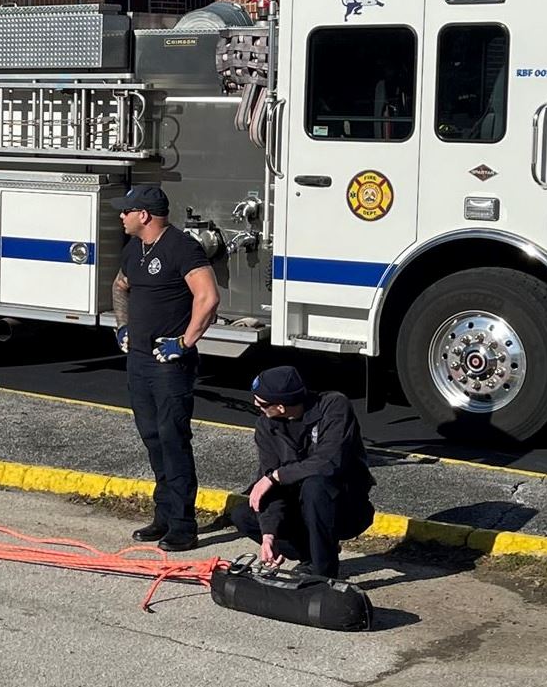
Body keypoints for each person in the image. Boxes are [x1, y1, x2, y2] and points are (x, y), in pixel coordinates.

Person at [111, 184, 218, 553]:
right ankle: (164, 514)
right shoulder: (134, 249)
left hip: (168, 364)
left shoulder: (181, 247)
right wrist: (122, 325)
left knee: (173, 439)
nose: (120, 216)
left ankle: (184, 525)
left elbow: (208, 297)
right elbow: (120, 286)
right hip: (138, 360)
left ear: (144, 215)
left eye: (126, 211)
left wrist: (185, 342)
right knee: (152, 437)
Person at [228, 365, 376, 580]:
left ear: (280, 406)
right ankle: (311, 556)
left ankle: (324, 575)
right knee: (244, 514)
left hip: (343, 504)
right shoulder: (266, 426)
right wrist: (269, 535)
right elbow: (271, 484)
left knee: (315, 485)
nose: (256, 405)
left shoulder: (333, 406)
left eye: (261, 402)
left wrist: (275, 477)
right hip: (299, 505)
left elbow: (328, 462)